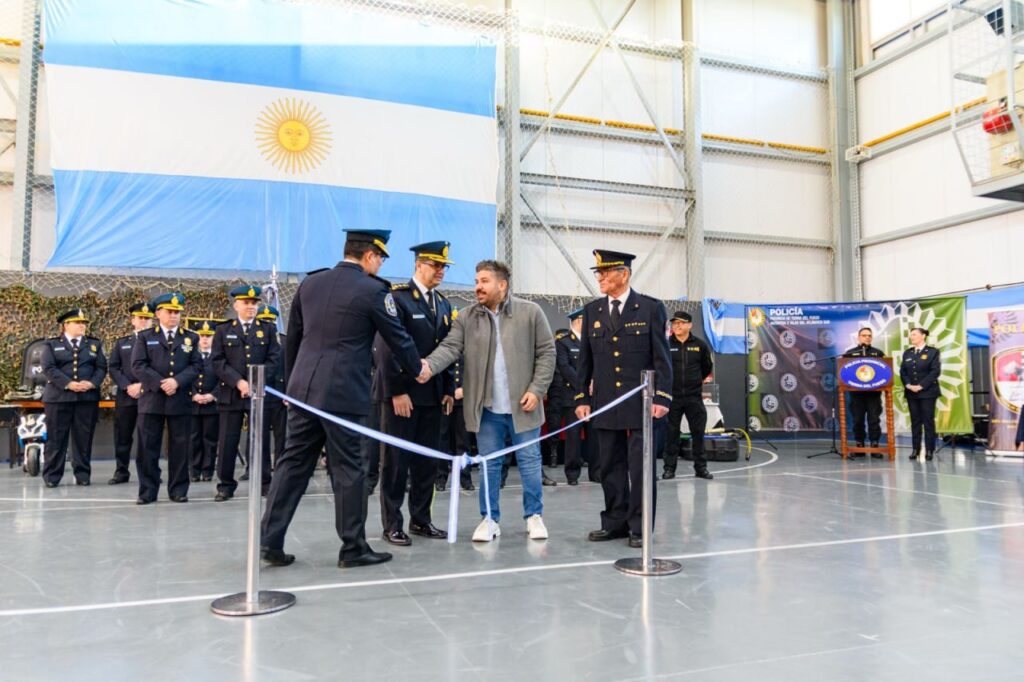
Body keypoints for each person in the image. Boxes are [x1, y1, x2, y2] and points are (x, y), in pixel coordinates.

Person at [260, 229, 424, 569]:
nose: (380, 265)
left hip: (304, 391)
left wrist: (292, 387)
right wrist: (418, 368)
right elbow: (397, 337)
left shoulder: (311, 284)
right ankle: (353, 547)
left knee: (292, 465)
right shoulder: (373, 290)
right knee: (350, 469)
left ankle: (269, 540)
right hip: (343, 393)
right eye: (380, 259)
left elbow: (293, 339)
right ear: (369, 255)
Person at [420, 260, 556, 543]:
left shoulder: (531, 312)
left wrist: (536, 389)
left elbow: (547, 352)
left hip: (524, 407)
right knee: (488, 466)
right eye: (476, 281)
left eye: (484, 281)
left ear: (502, 285)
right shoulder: (467, 317)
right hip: (487, 409)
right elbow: (450, 347)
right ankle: (490, 519)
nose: (477, 287)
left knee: (530, 462)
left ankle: (534, 516)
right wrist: (428, 366)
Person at [574, 249, 672, 549]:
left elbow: (662, 358)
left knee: (640, 469)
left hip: (641, 404)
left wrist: (662, 397)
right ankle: (615, 522)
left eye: (605, 272)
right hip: (606, 403)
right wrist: (581, 398)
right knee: (610, 466)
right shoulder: (592, 311)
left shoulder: (650, 308)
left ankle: (640, 526)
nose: (600, 278)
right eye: (598, 273)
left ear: (624, 274)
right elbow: (585, 361)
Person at [375, 241, 456, 546]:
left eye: (443, 266)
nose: (441, 271)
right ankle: (392, 524)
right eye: (435, 265)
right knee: (396, 463)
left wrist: (448, 389)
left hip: (432, 396)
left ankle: (421, 519)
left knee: (427, 463)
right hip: (404, 396)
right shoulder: (397, 299)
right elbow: (387, 348)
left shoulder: (443, 304)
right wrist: (396, 391)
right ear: (418, 265)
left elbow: (448, 350)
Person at [131, 292, 203, 504]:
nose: (174, 316)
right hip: (152, 398)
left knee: (180, 446)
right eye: (170, 312)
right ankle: (147, 491)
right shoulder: (145, 337)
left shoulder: (190, 337)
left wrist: (177, 381)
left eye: (177, 312)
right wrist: (161, 383)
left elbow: (196, 365)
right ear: (158, 313)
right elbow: (138, 365)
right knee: (147, 447)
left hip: (179, 398)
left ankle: (178, 490)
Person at [211, 285, 282, 501]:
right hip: (231, 393)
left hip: (258, 394)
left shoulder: (268, 329)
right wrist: (239, 382)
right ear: (236, 305)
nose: (251, 306)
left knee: (260, 440)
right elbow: (217, 361)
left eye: (254, 303)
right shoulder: (223, 330)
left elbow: (274, 359)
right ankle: (225, 485)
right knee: (227, 441)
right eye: (246, 303)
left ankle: (264, 482)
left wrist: (254, 383)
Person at [40, 308, 107, 488]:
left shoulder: (94, 344)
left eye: (84, 323)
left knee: (83, 439)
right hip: (58, 398)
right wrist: (68, 383)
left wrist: (91, 383)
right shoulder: (51, 344)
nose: (82, 326)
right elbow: (49, 367)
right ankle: (52, 476)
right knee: (56, 439)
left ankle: (82, 474)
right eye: (78, 322)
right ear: (66, 325)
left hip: (86, 398)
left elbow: (101, 368)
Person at [661, 310, 714, 481]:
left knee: (698, 434)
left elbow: (706, 367)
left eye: (681, 323)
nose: (677, 326)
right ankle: (669, 469)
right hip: (672, 397)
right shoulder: (666, 344)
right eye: (675, 323)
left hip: (693, 397)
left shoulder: (700, 345)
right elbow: (661, 368)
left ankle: (701, 468)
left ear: (690, 325)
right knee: (671, 435)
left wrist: (695, 382)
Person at [107, 302, 153, 485]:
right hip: (126, 396)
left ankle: (148, 473)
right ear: (133, 320)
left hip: (149, 395)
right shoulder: (122, 343)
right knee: (122, 436)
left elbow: (160, 367)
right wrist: (128, 386)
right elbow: (114, 367)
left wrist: (142, 385)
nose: (144, 321)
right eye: (140, 318)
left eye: (147, 318)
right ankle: (121, 471)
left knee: (148, 437)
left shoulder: (157, 342)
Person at [549, 308, 587, 485]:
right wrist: (583, 384)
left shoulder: (590, 341)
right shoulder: (563, 342)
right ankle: (572, 474)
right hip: (572, 395)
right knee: (573, 436)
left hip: (592, 394)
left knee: (595, 435)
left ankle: (597, 471)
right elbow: (565, 368)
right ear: (577, 321)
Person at [842, 327, 886, 459]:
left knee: (874, 420)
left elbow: (885, 370)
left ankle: (874, 446)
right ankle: (859, 446)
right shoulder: (850, 353)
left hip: (873, 393)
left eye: (869, 336)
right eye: (864, 335)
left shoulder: (878, 353)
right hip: (856, 394)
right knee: (857, 420)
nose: (867, 337)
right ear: (859, 337)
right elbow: (845, 372)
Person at [899, 327, 941, 461]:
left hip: (928, 392)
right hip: (911, 392)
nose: (911, 337)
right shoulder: (908, 353)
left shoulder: (933, 352)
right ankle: (915, 449)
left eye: (914, 334)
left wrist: (921, 385)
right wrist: (908, 385)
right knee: (915, 421)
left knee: (928, 421)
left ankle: (929, 450)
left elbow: (935, 371)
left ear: (923, 336)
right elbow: (903, 372)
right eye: (911, 335)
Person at [187, 318, 219, 482]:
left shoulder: (218, 357)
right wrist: (193, 394)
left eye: (208, 336)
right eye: (202, 336)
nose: (205, 339)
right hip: (193, 404)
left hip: (212, 404)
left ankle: (207, 471)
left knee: (210, 439)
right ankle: (194, 470)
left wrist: (213, 395)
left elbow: (223, 378)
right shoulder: (190, 356)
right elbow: (185, 376)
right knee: (194, 438)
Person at [256, 304, 287, 470]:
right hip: (261, 392)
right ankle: (261, 467)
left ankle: (280, 464)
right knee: (260, 434)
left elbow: (291, 367)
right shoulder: (253, 340)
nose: (268, 324)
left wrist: (289, 393)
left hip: (281, 394)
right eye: (264, 321)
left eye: (271, 321)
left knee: (281, 434)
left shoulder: (285, 341)